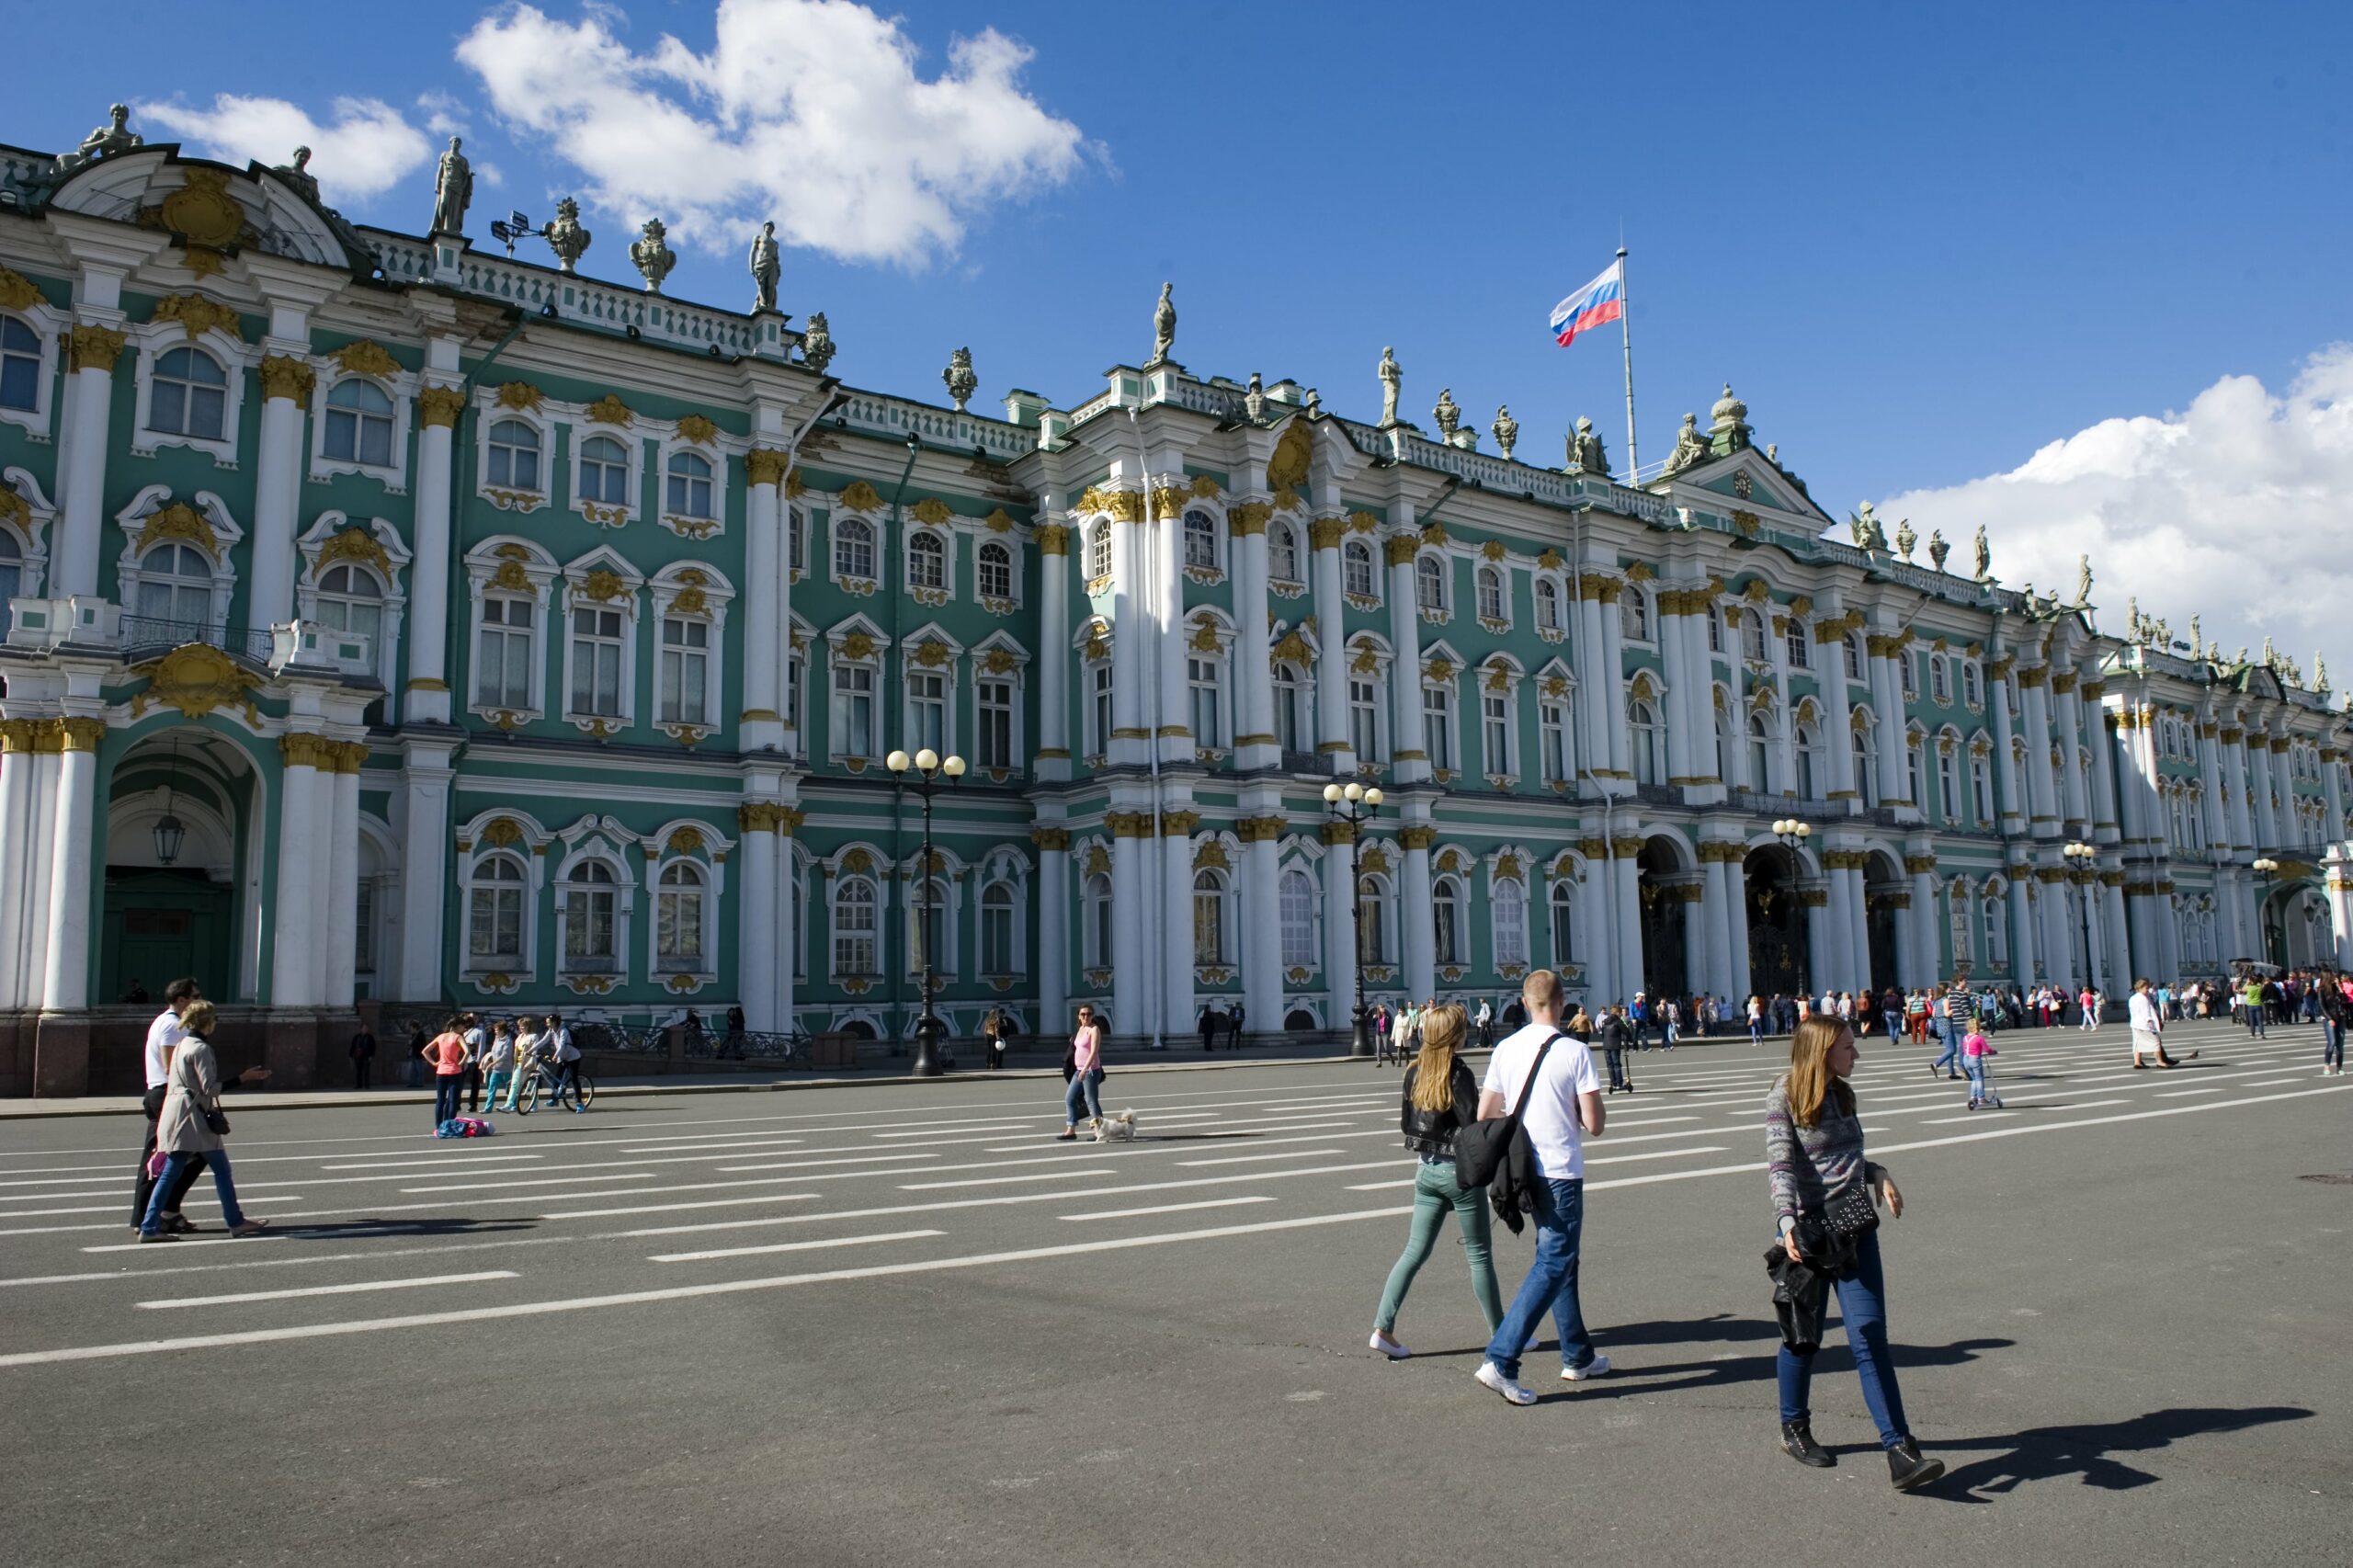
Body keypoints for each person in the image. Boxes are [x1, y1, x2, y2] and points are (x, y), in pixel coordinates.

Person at [1766, 1017, 1943, 1489]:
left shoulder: (1843, 1094)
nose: (1856, 1054)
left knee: (1868, 1335)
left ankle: (1900, 1450)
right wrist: (1786, 1224)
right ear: (1822, 1051)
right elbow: (1781, 1166)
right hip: (1808, 1236)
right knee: (1802, 1337)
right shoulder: (1784, 1095)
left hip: (1854, 1229)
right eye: (1848, 1047)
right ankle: (1794, 1428)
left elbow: (1846, 1160)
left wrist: (1877, 1173)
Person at [1472, 969, 1608, 1405]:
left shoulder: (1505, 1048)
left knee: (1562, 1259)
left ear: (1525, 1003)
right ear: (1563, 1003)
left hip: (1521, 1170)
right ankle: (1501, 1360)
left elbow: (1486, 1114)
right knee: (1554, 1262)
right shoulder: (1575, 1051)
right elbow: (1595, 1123)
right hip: (1560, 1170)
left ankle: (1578, 1356)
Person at [1370, 1004, 1505, 1358]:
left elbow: (1407, 1124)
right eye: (1463, 1028)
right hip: (1457, 1173)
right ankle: (1503, 1335)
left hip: (1426, 1170)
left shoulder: (1414, 1071)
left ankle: (1382, 1328)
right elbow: (1472, 1127)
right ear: (1454, 1036)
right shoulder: (1458, 1073)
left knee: (1413, 1252)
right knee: (1479, 1256)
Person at [138, 1002, 268, 1242]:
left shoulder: (181, 1045)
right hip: (194, 1118)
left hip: (176, 1114)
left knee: (170, 1173)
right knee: (222, 1170)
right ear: (207, 1022)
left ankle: (149, 1227)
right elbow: (210, 1088)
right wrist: (243, 1078)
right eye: (214, 1019)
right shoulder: (201, 1049)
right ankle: (236, 1222)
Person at [132, 979, 206, 1233]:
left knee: (176, 1157)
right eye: (195, 995)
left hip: (165, 1094)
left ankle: (162, 1213)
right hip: (167, 1095)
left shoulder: (167, 1021)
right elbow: (170, 1066)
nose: (199, 1000)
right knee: (165, 1159)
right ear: (182, 999)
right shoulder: (172, 1025)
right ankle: (152, 1216)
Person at [1059, 1006, 1105, 1139]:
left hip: (1090, 1070)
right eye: (1083, 1014)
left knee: (1091, 1101)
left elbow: (1094, 1052)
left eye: (1089, 1014)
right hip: (1079, 1070)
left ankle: (1099, 1130)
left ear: (1092, 1016)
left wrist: (1085, 1069)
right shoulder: (1080, 1029)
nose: (1086, 1016)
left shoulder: (1094, 1029)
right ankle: (1071, 1130)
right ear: (1079, 1016)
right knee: (1070, 1098)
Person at [426, 1017, 471, 1127]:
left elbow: (425, 1051)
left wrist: (433, 1063)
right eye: (463, 1026)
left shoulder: (441, 1037)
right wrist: (461, 1063)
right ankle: (449, 1125)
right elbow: (467, 1051)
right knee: (453, 1101)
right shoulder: (458, 1037)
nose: (464, 1029)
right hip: (455, 1072)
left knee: (440, 1101)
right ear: (458, 1026)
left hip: (441, 1072)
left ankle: (438, 1126)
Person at [1596, 1004, 1634, 1095]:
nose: (1621, 1014)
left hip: (1606, 1045)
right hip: (1614, 1045)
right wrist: (1630, 1040)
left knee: (1610, 1065)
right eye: (1620, 1013)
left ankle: (1613, 1083)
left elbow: (1603, 1033)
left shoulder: (1605, 1021)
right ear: (1617, 1013)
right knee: (1616, 1064)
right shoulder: (1618, 1021)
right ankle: (1619, 1084)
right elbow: (1626, 1031)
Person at [547, 1014, 583, 1110]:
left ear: (554, 1022)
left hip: (573, 1057)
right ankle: (554, 1099)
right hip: (562, 1057)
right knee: (557, 1077)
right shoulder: (551, 1031)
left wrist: (555, 1055)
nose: (547, 1024)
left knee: (574, 1078)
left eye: (548, 1022)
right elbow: (543, 1041)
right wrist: (530, 1050)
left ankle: (579, 1103)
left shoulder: (563, 1031)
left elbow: (562, 1045)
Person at [1962, 1028, 2001, 1110]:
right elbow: (1987, 1049)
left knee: (1974, 1079)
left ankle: (1973, 1097)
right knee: (1979, 1079)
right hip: (1975, 1060)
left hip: (1966, 1060)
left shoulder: (1965, 1037)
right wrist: (1993, 1052)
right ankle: (1981, 1098)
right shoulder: (1979, 1038)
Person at [460, 1013, 486, 1111]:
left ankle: (473, 1104)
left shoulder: (480, 1031)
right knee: (459, 1081)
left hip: (473, 1059)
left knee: (474, 1083)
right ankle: (457, 1103)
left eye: (475, 1018)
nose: (473, 1020)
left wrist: (478, 1060)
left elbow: (481, 1045)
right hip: (463, 1059)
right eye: (471, 1018)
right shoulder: (463, 1031)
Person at [348, 1021, 377, 1089]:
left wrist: (371, 1056)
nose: (365, 1029)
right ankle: (359, 1085)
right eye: (364, 1028)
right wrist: (350, 1055)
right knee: (358, 1071)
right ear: (361, 1029)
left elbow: (373, 1047)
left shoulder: (370, 1037)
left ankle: (367, 1085)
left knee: (366, 1071)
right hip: (358, 1056)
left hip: (367, 1056)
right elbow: (353, 1046)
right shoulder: (357, 1037)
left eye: (366, 1028)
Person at [405, 1023, 427, 1090]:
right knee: (413, 1069)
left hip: (418, 1054)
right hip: (413, 1053)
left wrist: (413, 1042)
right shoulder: (413, 1035)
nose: (410, 1030)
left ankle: (420, 1083)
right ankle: (413, 1083)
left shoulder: (421, 1034)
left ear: (415, 1028)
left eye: (411, 1028)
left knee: (419, 1069)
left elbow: (422, 1044)